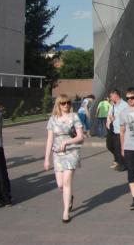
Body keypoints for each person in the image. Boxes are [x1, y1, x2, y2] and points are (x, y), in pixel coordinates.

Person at [43, 94, 84, 223]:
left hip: (72, 152)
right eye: (63, 103)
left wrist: (67, 142)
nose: (66, 105)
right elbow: (50, 140)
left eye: (68, 103)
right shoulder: (53, 119)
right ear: (58, 104)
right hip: (57, 154)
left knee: (66, 182)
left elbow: (80, 137)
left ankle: (66, 212)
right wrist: (47, 159)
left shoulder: (74, 117)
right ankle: (69, 196)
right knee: (60, 185)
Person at [106, 89, 128, 171]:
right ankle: (118, 159)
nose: (110, 98)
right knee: (109, 146)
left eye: (111, 96)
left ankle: (123, 164)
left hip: (121, 130)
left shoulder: (125, 105)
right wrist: (110, 119)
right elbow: (110, 116)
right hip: (112, 129)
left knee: (119, 148)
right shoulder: (113, 105)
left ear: (116, 95)